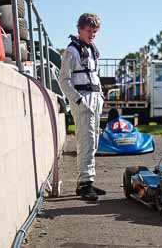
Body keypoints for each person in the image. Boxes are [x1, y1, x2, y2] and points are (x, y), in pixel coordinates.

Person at [59, 13, 105, 201]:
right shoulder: (72, 51)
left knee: (94, 140)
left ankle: (87, 181)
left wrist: (100, 95)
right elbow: (64, 79)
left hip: (94, 98)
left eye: (94, 32)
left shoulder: (93, 49)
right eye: (88, 31)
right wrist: (77, 99)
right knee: (86, 141)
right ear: (79, 29)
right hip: (83, 97)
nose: (92, 34)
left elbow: (95, 74)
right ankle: (85, 183)